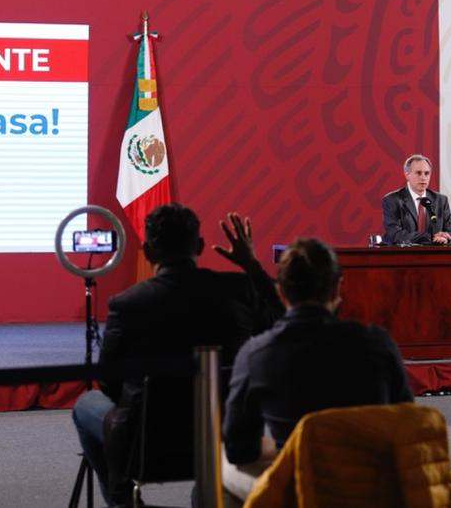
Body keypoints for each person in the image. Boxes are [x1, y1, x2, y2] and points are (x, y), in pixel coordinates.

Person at [71, 203, 283, 506]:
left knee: (85, 404)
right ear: (198, 246)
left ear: (147, 251)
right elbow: (282, 323)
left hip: (146, 444)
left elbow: (108, 382)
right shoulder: (239, 289)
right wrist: (252, 266)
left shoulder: (127, 303)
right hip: (223, 435)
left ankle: (122, 500)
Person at [221, 237, 413, 502]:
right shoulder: (377, 343)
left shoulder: (254, 355)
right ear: (337, 288)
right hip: (372, 485)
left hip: (299, 488)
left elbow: (239, 449)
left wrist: (284, 448)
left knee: (216, 471)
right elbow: (408, 424)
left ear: (281, 293)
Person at [381, 153, 451, 244]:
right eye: (418, 173)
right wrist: (430, 237)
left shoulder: (440, 200)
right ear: (407, 175)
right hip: (401, 255)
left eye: (427, 173)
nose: (423, 178)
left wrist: (446, 237)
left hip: (434, 256)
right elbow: (396, 235)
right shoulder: (392, 200)